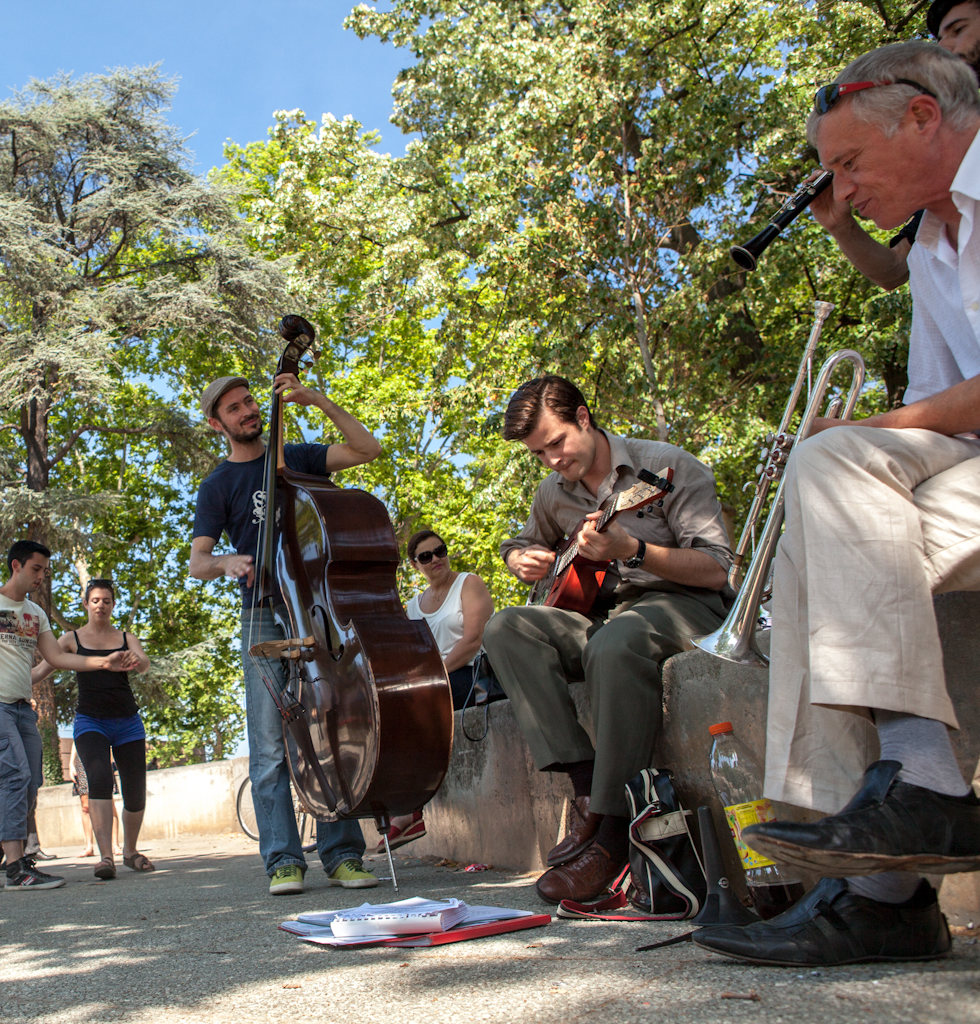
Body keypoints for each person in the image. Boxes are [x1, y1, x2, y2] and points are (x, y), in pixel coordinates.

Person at [692, 41, 980, 968]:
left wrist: (858, 440)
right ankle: (883, 857)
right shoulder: (936, 244)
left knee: (840, 467)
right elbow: (947, 427)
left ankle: (887, 880)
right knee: (823, 507)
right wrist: (844, 464)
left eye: (850, 163)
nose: (843, 190)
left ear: (924, 118)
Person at [481, 375, 732, 906]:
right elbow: (524, 541)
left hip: (684, 602)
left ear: (584, 418)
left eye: (556, 443)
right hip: (602, 615)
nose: (550, 459)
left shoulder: (664, 465)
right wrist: (518, 558)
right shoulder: (553, 492)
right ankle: (587, 786)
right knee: (505, 628)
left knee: (615, 643)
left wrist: (632, 549)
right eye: (537, 453)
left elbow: (716, 570)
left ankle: (613, 835)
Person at [189, 372, 383, 896]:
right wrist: (227, 561)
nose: (248, 411)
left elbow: (368, 449)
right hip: (263, 614)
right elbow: (197, 562)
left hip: (317, 608)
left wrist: (315, 398)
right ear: (217, 423)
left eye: (250, 401)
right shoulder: (219, 484)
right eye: (234, 408)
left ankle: (342, 853)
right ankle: (282, 860)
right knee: (271, 743)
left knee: (329, 729)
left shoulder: (293, 457)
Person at [0, 540, 138, 891]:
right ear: (16, 566)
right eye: (36, 569)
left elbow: (57, 658)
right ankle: (16, 866)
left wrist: (103, 662)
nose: (41, 577)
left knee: (31, 783)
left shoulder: (35, 614)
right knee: (14, 775)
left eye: (45, 571)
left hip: (20, 706)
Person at [805, 1, 980, 292]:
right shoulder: (937, 224)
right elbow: (898, 269)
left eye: (959, 29)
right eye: (938, 39)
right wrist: (840, 226)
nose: (945, 47)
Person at [376, 530, 494, 851]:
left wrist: (436, 673)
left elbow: (472, 641)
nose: (436, 559)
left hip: (474, 677)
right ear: (416, 565)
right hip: (436, 683)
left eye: (439, 551)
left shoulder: (468, 584)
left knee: (411, 708)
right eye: (425, 556)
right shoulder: (413, 606)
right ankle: (403, 806)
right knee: (386, 708)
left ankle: (410, 811)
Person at [35, 579, 154, 879]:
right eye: (96, 600)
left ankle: (129, 851)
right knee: (99, 781)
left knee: (136, 792)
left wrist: (136, 660)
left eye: (107, 601)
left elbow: (144, 664)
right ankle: (105, 858)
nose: (101, 605)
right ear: (86, 604)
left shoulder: (126, 637)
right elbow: (39, 671)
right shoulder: (71, 639)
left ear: (114, 605)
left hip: (128, 722)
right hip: (91, 722)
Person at [71, 743, 119, 859]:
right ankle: (89, 847)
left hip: (102, 756)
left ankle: (115, 845)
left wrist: (111, 758)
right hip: (82, 761)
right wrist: (71, 763)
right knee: (85, 807)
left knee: (109, 804)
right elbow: (75, 740)